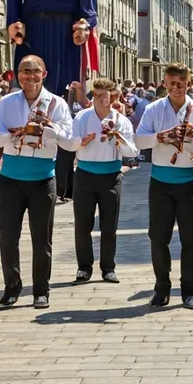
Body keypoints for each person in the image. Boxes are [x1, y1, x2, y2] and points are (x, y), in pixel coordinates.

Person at [0, 55, 72, 309]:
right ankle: (12, 286)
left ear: (44, 74)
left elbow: (69, 140)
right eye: (25, 71)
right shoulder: (7, 102)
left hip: (43, 179)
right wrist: (15, 134)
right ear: (17, 74)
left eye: (35, 72)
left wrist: (47, 129)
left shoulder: (56, 103)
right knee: (8, 237)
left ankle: (41, 291)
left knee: (41, 239)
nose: (30, 77)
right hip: (12, 179)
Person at [133, 62, 193, 309]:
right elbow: (139, 140)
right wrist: (160, 136)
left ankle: (189, 290)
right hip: (161, 183)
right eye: (171, 84)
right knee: (158, 238)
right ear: (164, 84)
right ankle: (162, 288)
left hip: (190, 182)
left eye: (180, 84)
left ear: (188, 85)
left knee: (190, 240)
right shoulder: (154, 109)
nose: (176, 88)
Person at [61, 77, 137, 286]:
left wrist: (119, 138)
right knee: (83, 224)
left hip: (111, 176)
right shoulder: (82, 118)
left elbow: (133, 152)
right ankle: (84, 267)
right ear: (94, 96)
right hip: (85, 175)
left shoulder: (121, 121)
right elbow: (69, 143)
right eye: (101, 96)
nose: (106, 100)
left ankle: (108, 268)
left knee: (109, 225)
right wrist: (81, 141)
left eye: (109, 96)